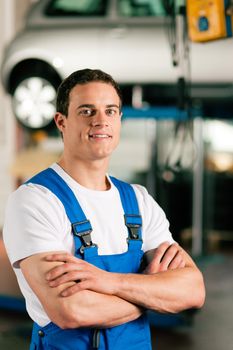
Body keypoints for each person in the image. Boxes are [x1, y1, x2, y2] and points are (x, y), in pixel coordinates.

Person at [3, 68, 205, 350]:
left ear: (119, 119)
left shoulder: (139, 201)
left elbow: (193, 290)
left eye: (110, 111)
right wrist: (149, 294)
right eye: (87, 111)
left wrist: (108, 282)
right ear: (61, 121)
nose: (101, 121)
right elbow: (72, 310)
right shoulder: (34, 201)